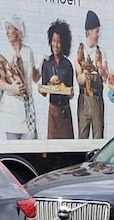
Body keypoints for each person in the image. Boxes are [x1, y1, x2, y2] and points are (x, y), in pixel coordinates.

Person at [0, 16, 38, 140]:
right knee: (13, 146)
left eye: (9, 28)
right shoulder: (3, 53)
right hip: (12, 108)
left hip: (28, 107)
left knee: (31, 147)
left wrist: (42, 63)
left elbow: (34, 77)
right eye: (6, 28)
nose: (7, 32)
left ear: (18, 30)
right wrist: (12, 88)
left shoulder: (28, 51)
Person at [39, 19, 74, 140]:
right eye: (53, 41)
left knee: (68, 146)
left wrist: (71, 92)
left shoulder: (68, 65)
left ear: (64, 43)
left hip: (65, 111)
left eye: (59, 42)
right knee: (52, 146)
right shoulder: (47, 64)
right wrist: (40, 89)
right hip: (53, 111)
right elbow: (44, 92)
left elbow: (71, 93)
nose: (56, 45)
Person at [76, 10, 107, 139]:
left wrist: (101, 70)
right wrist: (87, 72)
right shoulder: (79, 51)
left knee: (98, 136)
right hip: (84, 99)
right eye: (96, 31)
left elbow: (106, 77)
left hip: (97, 99)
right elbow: (79, 79)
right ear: (89, 32)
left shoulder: (101, 52)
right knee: (82, 136)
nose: (99, 34)